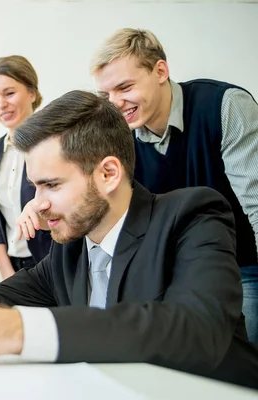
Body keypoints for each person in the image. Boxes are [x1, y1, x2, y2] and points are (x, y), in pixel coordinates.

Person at [0, 91, 258, 389]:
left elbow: (198, 330)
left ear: (108, 173)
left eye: (52, 185)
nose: (38, 203)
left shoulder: (192, 216)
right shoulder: (67, 253)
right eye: (35, 187)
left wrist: (11, 329)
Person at [90, 28, 258, 344]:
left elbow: (257, 204)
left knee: (245, 365)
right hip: (181, 275)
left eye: (124, 87)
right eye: (106, 95)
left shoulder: (225, 106)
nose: (115, 103)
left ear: (161, 71)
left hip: (244, 267)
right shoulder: (121, 136)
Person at [0, 55, 52, 280]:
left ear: (32, 92)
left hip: (51, 264)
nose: (1, 105)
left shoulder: (54, 144)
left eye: (9, 93)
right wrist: (6, 270)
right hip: (10, 266)